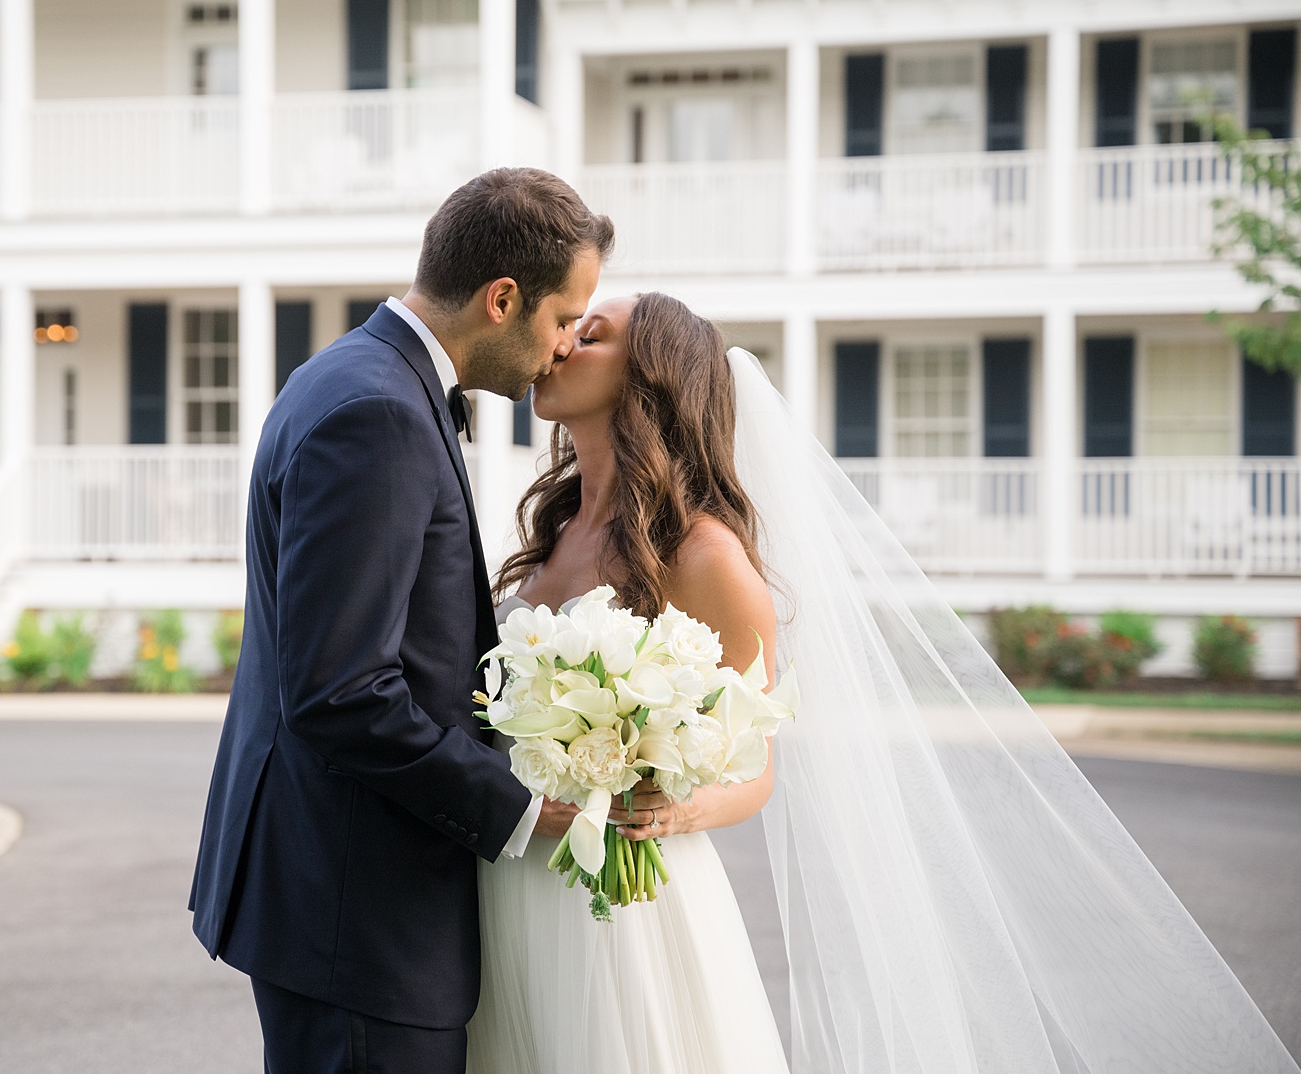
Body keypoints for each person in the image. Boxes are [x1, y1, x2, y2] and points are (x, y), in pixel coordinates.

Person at [467, 292, 1296, 1073]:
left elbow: (755, 765)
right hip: (508, 875)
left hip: (618, 906)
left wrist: (670, 803)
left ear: (652, 376)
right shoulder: (556, 527)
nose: (564, 339)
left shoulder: (705, 553)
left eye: (595, 330)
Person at [189, 168, 615, 1073]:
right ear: (503, 299)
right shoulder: (378, 411)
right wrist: (524, 806)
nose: (564, 345)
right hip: (357, 910)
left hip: (338, 890)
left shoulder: (356, 376)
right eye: (562, 318)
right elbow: (342, 692)